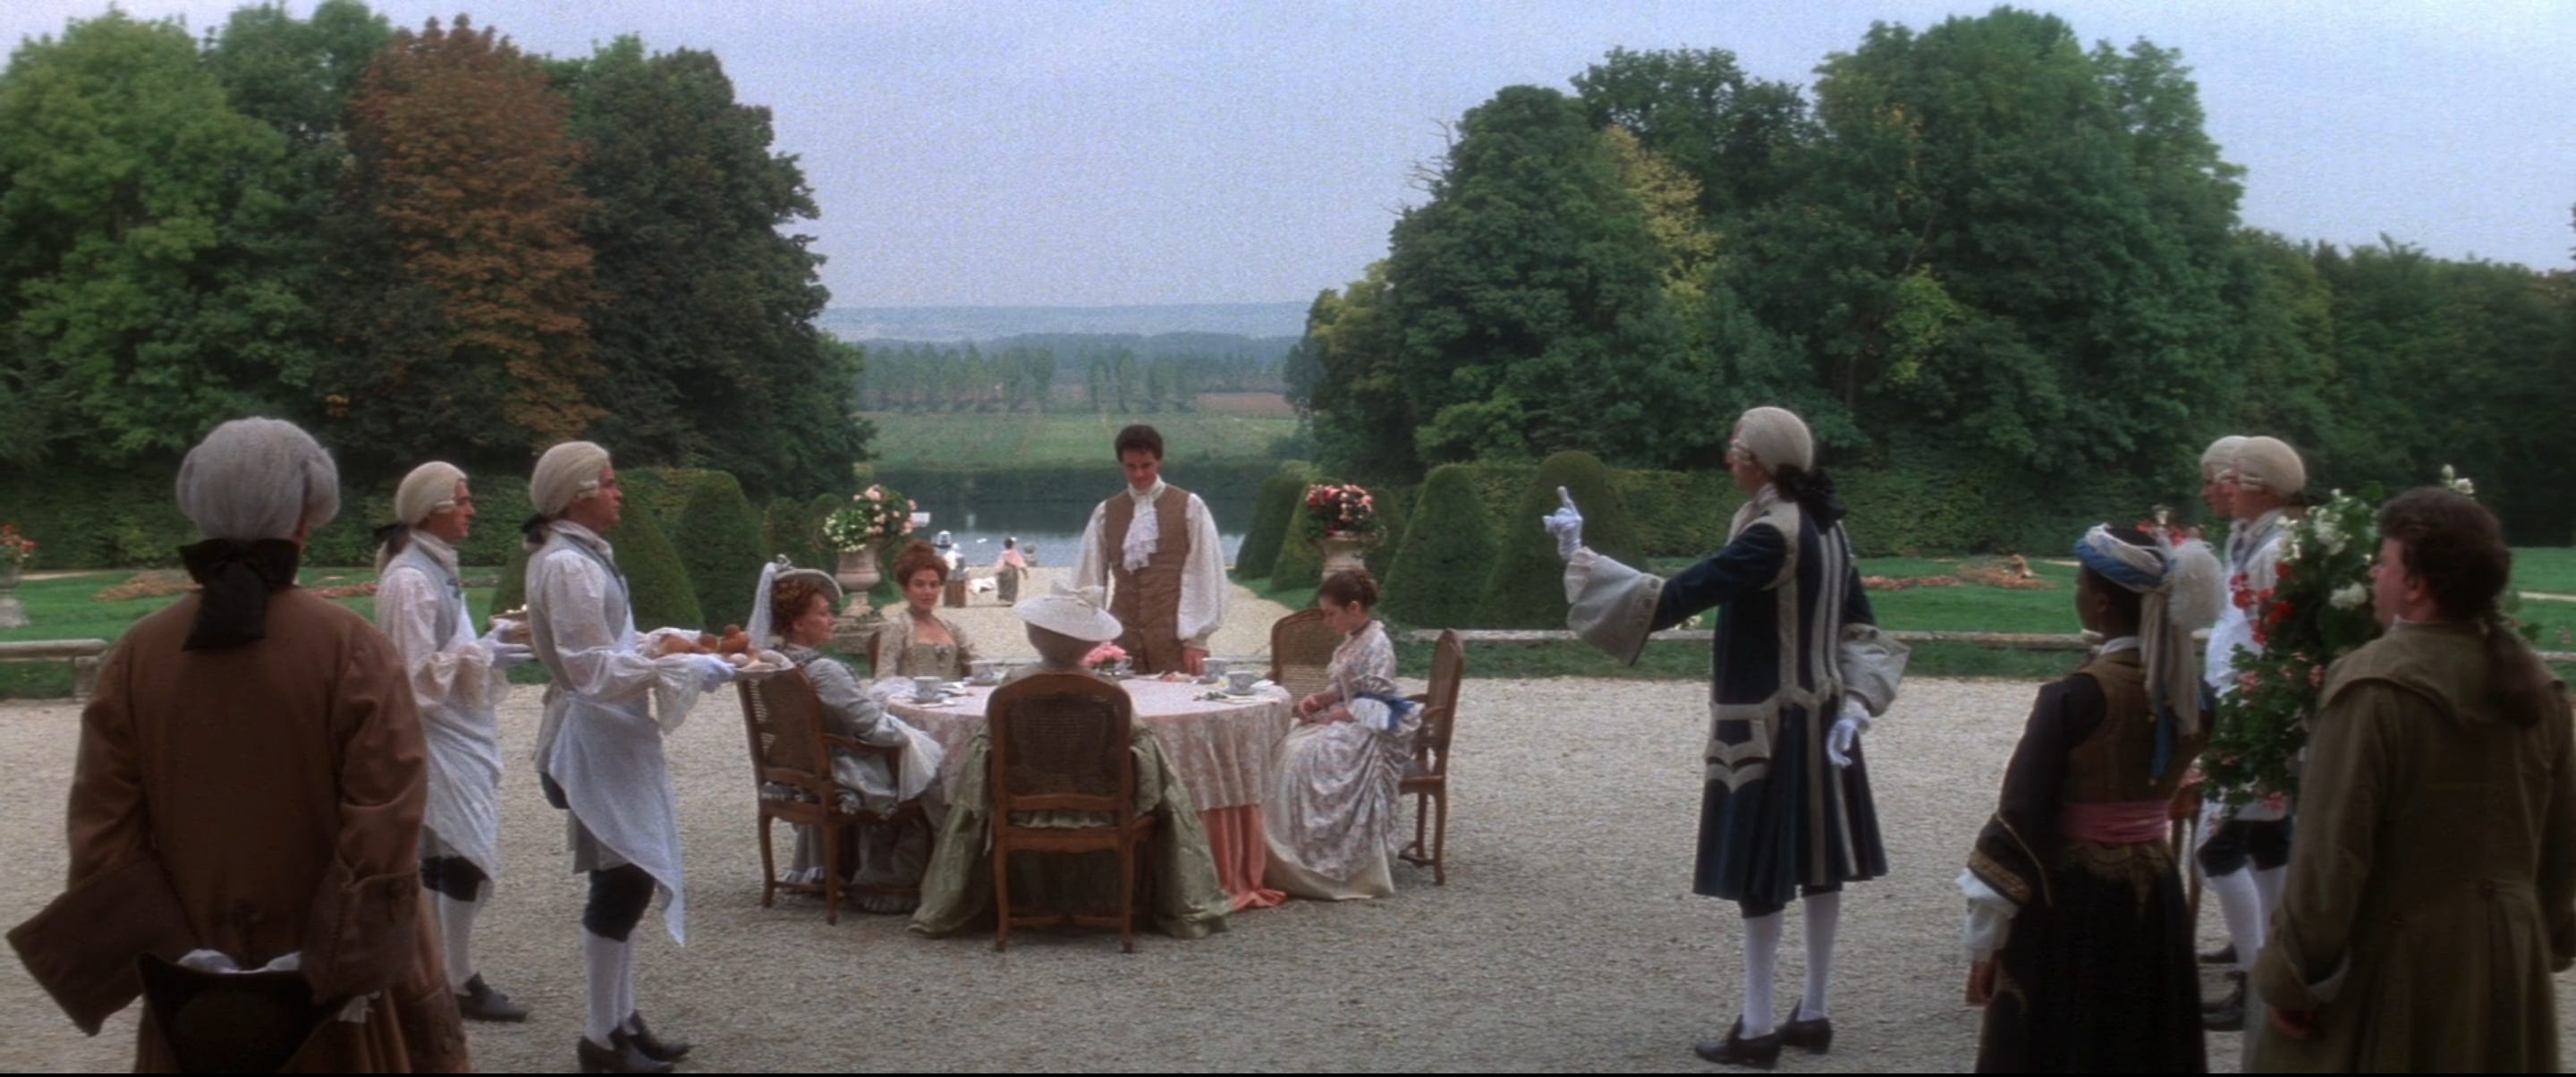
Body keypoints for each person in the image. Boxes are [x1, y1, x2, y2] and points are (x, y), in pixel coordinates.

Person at [28, 418, 467, 1071]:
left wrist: (180, 953)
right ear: (304, 518)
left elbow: (102, 830)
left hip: (193, 986)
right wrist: (332, 956)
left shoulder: (139, 655)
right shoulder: (352, 649)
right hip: (334, 986)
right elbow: (386, 818)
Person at [1551, 405, 1899, 1068]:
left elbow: (1680, 595)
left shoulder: (1772, 534)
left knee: (1761, 872)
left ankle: (1758, 1027)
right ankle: (1813, 1012)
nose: (1728, 460)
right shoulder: (1826, 525)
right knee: (1821, 863)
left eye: (1737, 451)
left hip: (1768, 725)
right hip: (1824, 719)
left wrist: (1580, 559)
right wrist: (1855, 704)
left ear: (1762, 465)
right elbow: (1861, 625)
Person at [2250, 488, 2576, 1071]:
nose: (2374, 574)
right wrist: (2538, 936)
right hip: (2507, 967)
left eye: (2385, 562)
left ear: (2417, 584)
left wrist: (2295, 978)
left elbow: (2330, 859)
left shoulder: (2373, 687)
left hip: (2402, 971)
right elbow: (2561, 847)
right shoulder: (2538, 686)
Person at [1962, 523, 2224, 1073]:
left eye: (2080, 584)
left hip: (2076, 901)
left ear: (2101, 602)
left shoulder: (2076, 697)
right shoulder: (2193, 696)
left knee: (2071, 1038)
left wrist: (1985, 941)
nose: (2076, 593)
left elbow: (2021, 818)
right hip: (2155, 891)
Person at [522, 440, 734, 1075]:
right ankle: (600, 1036)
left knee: (629, 878)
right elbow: (591, 670)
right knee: (622, 880)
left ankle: (621, 1019)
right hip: (593, 737)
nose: (620, 494)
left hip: (609, 735)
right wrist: (677, 666)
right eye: (611, 483)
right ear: (578, 496)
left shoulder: (581, 555)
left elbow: (610, 645)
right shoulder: (568, 564)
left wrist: (677, 644)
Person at [908, 582, 1233, 939]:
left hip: (1022, 809)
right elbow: (1145, 757)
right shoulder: (1108, 693)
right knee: (1171, 795)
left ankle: (992, 901)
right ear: (1089, 644)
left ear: (1034, 636)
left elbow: (983, 756)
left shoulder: (1012, 688)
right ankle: (1160, 897)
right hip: (1103, 811)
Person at [372, 462, 534, 1022]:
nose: (471, 510)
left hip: (456, 734)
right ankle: (455, 979)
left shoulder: (434, 566)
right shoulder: (410, 579)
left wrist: (489, 645)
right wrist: (485, 651)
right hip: (437, 739)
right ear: (431, 511)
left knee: (446, 855)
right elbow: (414, 678)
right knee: (462, 853)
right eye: (462, 501)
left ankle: (441, 974)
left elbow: (443, 653)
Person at [748, 559, 944, 912]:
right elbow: (872, 728)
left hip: (793, 770)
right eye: (823, 613)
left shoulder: (774, 664)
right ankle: (898, 883)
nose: (832, 619)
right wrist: (913, 736)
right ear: (797, 623)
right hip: (839, 770)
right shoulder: (822, 671)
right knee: (936, 777)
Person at [2195, 434, 2305, 1030]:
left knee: (2217, 847)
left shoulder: (2276, 547)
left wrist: (2259, 713)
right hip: (2245, 700)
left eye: (2232, 478)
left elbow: (2276, 640)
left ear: (2261, 487)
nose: (2222, 489)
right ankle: (2267, 963)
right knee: (2266, 841)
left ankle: (2257, 976)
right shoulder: (2254, 537)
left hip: (2257, 709)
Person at [1265, 570, 1419, 900]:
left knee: (1305, 758)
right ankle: (1295, 851)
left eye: (1331, 614)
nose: (1326, 621)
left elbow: (1376, 705)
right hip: (1349, 719)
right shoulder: (1353, 639)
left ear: (1354, 608)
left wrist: (1337, 715)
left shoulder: (1377, 644)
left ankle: (1324, 862)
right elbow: (1344, 686)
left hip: (1369, 730)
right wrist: (1321, 698)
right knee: (1287, 748)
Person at [1072, 423, 1226, 675]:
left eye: (1146, 465)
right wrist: (1091, 639)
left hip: (1175, 640)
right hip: (1120, 641)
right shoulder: (1105, 512)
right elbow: (1089, 579)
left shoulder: (1190, 507)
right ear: (1121, 464)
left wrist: (1196, 640)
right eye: (1130, 467)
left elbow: (1205, 571)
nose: (1139, 474)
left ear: (1159, 461)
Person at [873, 539, 980, 679]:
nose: (928, 591)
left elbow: (979, 666)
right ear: (905, 588)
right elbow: (884, 679)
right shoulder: (896, 627)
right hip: (908, 693)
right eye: (919, 585)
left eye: (934, 585)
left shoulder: (953, 629)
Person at [993, 536, 1030, 604]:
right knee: (1012, 585)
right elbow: (1020, 563)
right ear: (1013, 545)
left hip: (1004, 570)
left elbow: (1000, 563)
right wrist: (1025, 573)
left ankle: (1003, 598)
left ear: (1005, 545)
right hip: (1012, 570)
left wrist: (997, 571)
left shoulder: (1004, 553)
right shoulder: (1014, 553)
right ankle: (1010, 599)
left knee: (1002, 585)